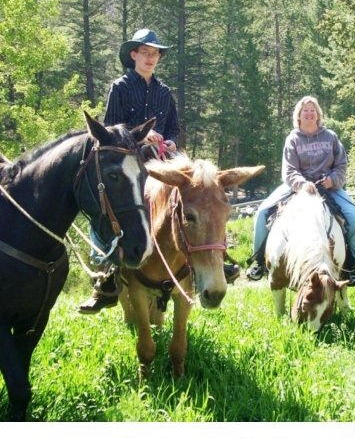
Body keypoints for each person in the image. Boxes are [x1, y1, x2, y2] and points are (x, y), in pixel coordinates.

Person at [77, 28, 239, 314]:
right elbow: (112, 128)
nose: (151, 58)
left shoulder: (164, 92)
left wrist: (171, 140)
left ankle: (216, 259)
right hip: (131, 158)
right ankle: (106, 274)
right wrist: (141, 136)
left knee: (204, 196)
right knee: (110, 204)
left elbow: (174, 127)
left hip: (167, 157)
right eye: (145, 53)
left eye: (155, 54)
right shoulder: (120, 87)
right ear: (133, 55)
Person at [246, 95, 355, 287]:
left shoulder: (331, 137)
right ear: (298, 116)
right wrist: (301, 183)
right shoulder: (293, 139)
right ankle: (259, 261)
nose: (309, 114)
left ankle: (350, 265)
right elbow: (289, 169)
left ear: (318, 115)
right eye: (305, 111)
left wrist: (332, 180)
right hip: (298, 187)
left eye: (313, 110)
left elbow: (341, 165)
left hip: (328, 188)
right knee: (262, 213)